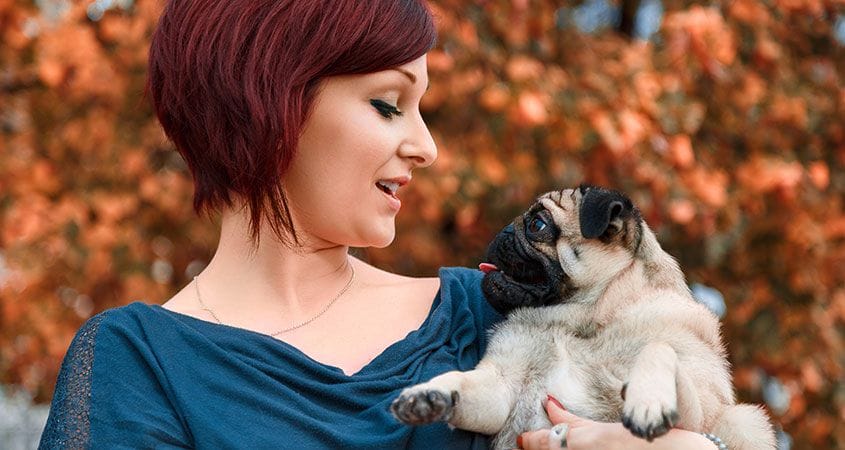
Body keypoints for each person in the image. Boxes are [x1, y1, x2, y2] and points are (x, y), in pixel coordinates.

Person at [38, 0, 727, 448]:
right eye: (388, 104)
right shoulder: (138, 363)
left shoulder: (490, 314)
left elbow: (697, 404)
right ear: (268, 102)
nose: (426, 148)